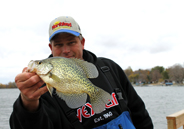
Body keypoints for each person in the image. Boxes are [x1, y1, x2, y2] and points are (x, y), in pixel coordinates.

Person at [10, 16, 153, 129]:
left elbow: (139, 113)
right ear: (50, 47)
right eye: (58, 44)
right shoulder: (41, 87)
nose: (66, 50)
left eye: (71, 42)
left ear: (82, 42)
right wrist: (28, 102)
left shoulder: (109, 68)